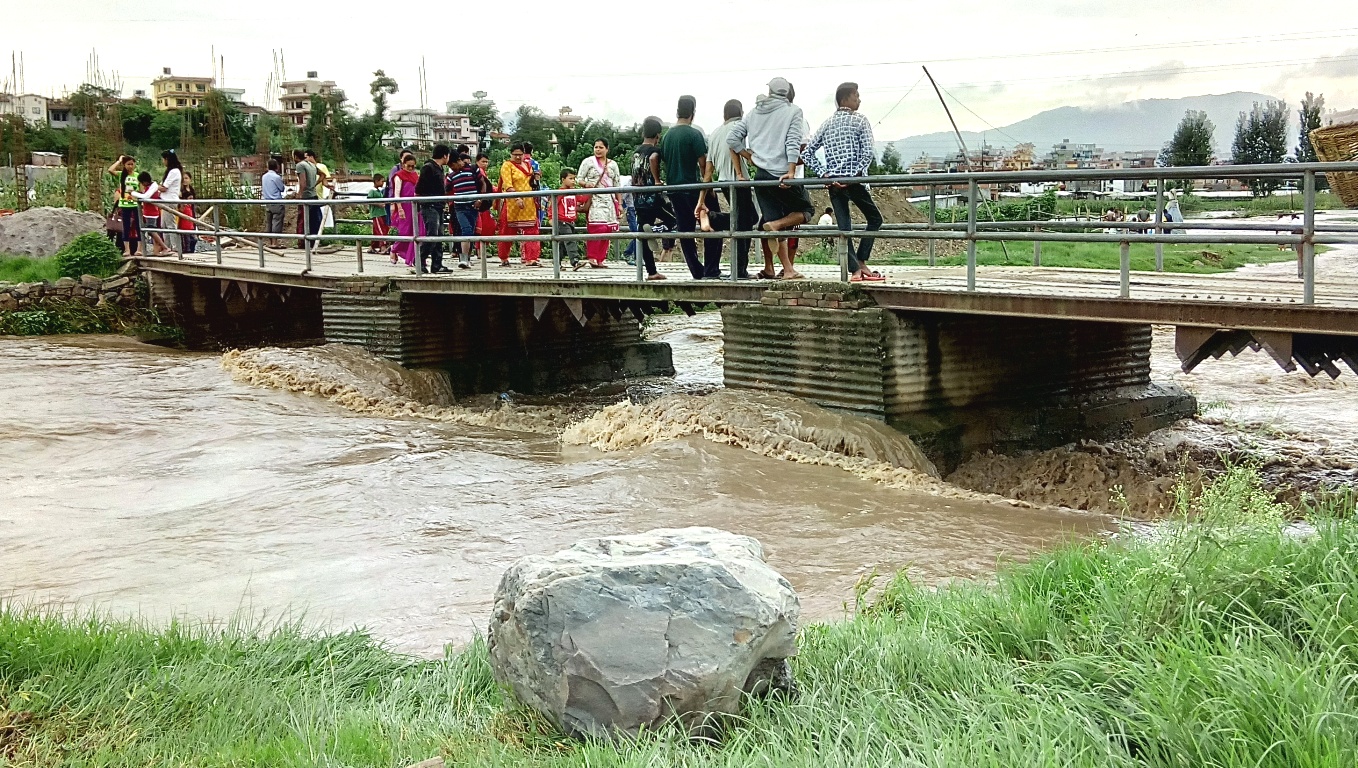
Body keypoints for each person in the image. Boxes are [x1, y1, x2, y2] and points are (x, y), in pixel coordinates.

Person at [728, 77, 813, 280]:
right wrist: (791, 170)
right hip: (782, 174)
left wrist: (750, 157)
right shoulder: (794, 111)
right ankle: (787, 265)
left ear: (770, 91)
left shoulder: (754, 112)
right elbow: (792, 142)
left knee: (773, 220)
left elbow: (732, 138)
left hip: (761, 176)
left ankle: (785, 269)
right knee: (807, 210)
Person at [802, 81, 884, 282]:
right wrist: (854, 175)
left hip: (834, 183)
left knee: (844, 228)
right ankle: (862, 261)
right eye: (856, 96)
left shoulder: (827, 123)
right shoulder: (860, 121)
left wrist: (824, 174)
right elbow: (867, 154)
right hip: (853, 181)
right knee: (874, 219)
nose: (859, 99)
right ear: (845, 98)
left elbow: (807, 153)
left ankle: (855, 270)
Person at [661, 95, 722, 279]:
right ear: (693, 113)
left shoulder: (667, 136)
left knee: (685, 230)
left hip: (673, 189)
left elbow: (663, 159)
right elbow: (704, 164)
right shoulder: (694, 134)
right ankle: (711, 270)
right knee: (714, 224)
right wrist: (708, 188)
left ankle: (696, 270)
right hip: (693, 188)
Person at [697, 98, 755, 279]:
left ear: (724, 115)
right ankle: (739, 270)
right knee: (745, 222)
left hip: (723, 183)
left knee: (743, 221)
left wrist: (701, 201)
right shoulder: (740, 127)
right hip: (738, 182)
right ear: (741, 113)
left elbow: (708, 172)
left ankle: (740, 270)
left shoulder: (714, 134)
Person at [629, 116, 673, 281]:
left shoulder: (635, 152)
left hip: (638, 198)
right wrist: (657, 180)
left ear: (643, 133)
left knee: (642, 233)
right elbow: (654, 159)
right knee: (674, 222)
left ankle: (651, 272)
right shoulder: (655, 150)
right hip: (652, 198)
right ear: (658, 135)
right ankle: (654, 230)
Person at [576, 139, 622, 269]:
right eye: (596, 147)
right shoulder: (588, 162)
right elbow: (579, 179)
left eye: (601, 147)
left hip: (610, 200)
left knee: (607, 230)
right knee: (597, 228)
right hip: (595, 199)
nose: (597, 149)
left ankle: (601, 258)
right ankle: (592, 257)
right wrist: (586, 184)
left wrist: (620, 203)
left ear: (607, 149)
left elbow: (617, 184)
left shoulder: (613, 164)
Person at [496, 144, 542, 266]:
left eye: (520, 155)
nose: (517, 157)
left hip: (529, 202)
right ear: (511, 154)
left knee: (532, 230)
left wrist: (536, 177)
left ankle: (531, 258)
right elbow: (507, 184)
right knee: (507, 231)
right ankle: (504, 257)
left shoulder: (528, 165)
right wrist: (516, 198)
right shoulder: (507, 166)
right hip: (512, 203)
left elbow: (531, 182)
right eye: (515, 154)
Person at [417, 144, 451, 273]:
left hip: (439, 205)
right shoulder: (428, 167)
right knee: (432, 234)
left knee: (439, 236)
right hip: (430, 205)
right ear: (444, 155)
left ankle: (437, 264)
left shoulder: (439, 168)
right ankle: (420, 260)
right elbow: (419, 188)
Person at [390, 153, 424, 268]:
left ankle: (413, 257)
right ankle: (394, 249)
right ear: (403, 165)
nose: (410, 168)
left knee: (416, 232)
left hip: (415, 207)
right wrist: (399, 208)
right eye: (408, 166)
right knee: (404, 232)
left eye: (413, 166)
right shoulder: (398, 176)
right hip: (404, 207)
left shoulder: (415, 175)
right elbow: (397, 194)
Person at [446, 153, 479, 268]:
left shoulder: (473, 169)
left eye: (452, 165)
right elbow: (446, 189)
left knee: (471, 231)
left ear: (458, 161)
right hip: (459, 207)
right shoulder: (451, 176)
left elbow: (482, 183)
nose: (452, 168)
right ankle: (464, 259)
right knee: (466, 230)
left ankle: (467, 258)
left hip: (473, 206)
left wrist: (480, 199)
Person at [107, 155, 140, 256]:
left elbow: (141, 189)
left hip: (135, 204)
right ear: (124, 165)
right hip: (124, 204)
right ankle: (127, 250)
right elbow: (110, 170)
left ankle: (139, 249)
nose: (130, 166)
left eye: (132, 164)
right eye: (128, 164)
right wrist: (119, 161)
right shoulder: (122, 175)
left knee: (138, 227)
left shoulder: (138, 175)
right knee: (125, 228)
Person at [133, 171, 170, 255]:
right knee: (151, 231)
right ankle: (156, 250)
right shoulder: (151, 187)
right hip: (149, 212)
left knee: (151, 231)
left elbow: (146, 196)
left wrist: (133, 193)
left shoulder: (151, 188)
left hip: (151, 213)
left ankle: (165, 247)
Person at [556, 168, 585, 269]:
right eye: (570, 178)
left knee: (562, 244)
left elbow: (582, 198)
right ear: (563, 179)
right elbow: (552, 205)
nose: (573, 181)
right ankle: (575, 261)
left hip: (571, 221)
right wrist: (551, 217)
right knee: (570, 240)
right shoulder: (559, 192)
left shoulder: (573, 191)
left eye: (574, 178)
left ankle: (557, 262)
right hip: (562, 221)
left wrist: (589, 190)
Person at [293, 149, 321, 247]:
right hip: (314, 196)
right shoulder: (312, 165)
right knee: (314, 220)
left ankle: (302, 242)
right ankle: (313, 241)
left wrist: (300, 195)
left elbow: (303, 182)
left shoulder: (300, 165)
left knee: (302, 220)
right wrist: (313, 185)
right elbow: (322, 175)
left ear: (296, 157)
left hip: (306, 197)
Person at [473, 154, 496, 261]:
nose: (485, 164)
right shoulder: (478, 172)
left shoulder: (482, 172)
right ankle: (480, 252)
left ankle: (481, 251)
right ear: (477, 161)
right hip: (481, 205)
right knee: (483, 227)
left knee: (488, 226)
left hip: (484, 204)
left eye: (487, 161)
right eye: (483, 161)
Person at [262, 158, 286, 248]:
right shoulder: (276, 177)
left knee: (269, 222)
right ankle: (275, 243)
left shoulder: (264, 177)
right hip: (276, 201)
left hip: (267, 201)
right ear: (277, 167)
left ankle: (270, 241)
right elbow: (282, 188)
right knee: (277, 221)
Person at [367, 173, 390, 255]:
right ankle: (383, 246)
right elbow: (369, 200)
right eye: (381, 181)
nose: (382, 183)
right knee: (381, 230)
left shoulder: (379, 191)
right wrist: (378, 204)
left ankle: (373, 246)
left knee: (377, 230)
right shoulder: (372, 191)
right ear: (376, 181)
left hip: (381, 212)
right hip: (376, 213)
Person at [178, 172, 198, 255]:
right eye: (183, 178)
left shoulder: (192, 190)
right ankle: (187, 254)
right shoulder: (181, 191)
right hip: (184, 216)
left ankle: (191, 253)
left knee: (194, 239)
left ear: (190, 179)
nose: (184, 180)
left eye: (186, 178)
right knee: (187, 240)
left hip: (191, 215)